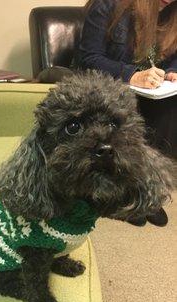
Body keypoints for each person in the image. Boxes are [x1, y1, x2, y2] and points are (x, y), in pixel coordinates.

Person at [73, 0, 177, 226]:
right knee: (128, 105)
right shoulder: (109, 5)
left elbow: (172, 59)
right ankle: (125, 193)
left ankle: (148, 189)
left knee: (171, 104)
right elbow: (88, 59)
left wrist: (171, 72)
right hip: (107, 87)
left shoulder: (172, 16)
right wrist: (131, 75)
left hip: (151, 91)